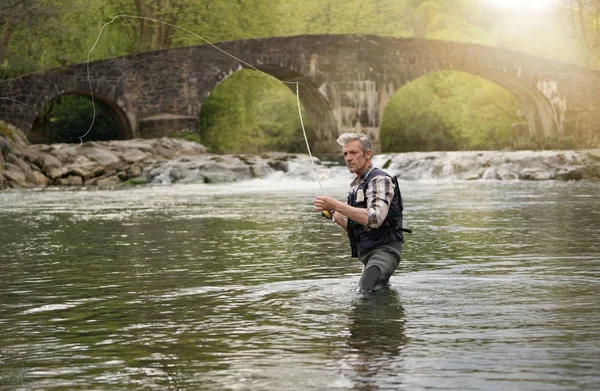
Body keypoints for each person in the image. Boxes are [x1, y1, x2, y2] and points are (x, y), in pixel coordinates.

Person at [314, 133, 408, 291]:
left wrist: (337, 205)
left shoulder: (380, 180)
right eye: (345, 154)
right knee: (375, 294)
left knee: (364, 294)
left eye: (353, 153)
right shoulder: (357, 186)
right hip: (368, 256)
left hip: (385, 252)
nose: (348, 158)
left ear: (368, 154)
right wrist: (338, 218)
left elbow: (375, 219)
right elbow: (359, 230)